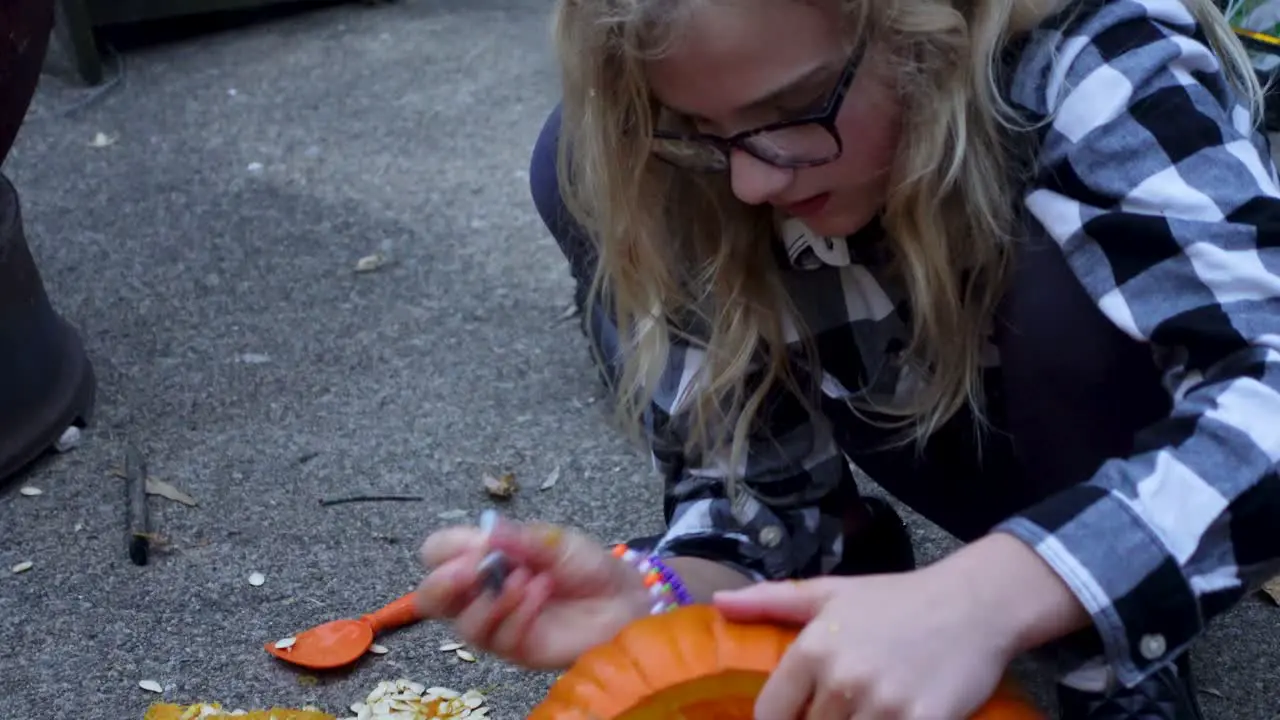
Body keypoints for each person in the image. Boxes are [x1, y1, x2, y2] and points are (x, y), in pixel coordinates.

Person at [416, 0, 1280, 717]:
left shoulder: (1097, 62)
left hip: (1134, 448)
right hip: (923, 418)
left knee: (1059, 290)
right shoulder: (695, 158)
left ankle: (1108, 640)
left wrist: (996, 591)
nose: (753, 183)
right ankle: (847, 569)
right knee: (579, 161)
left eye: (791, 108)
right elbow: (746, 491)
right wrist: (656, 598)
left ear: (925, 25)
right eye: (701, 127)